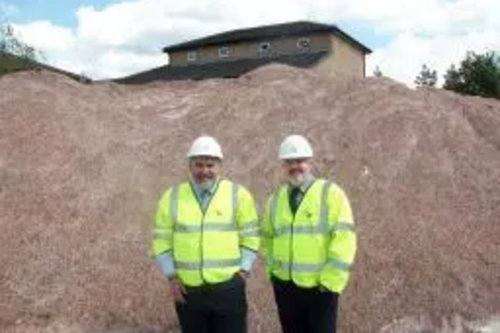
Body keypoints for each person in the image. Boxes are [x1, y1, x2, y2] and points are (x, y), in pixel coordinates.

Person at [151, 135, 260, 333]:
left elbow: (251, 237)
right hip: (188, 291)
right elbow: (162, 241)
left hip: (229, 288)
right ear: (190, 166)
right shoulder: (171, 197)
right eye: (198, 165)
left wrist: (243, 272)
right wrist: (171, 277)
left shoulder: (238, 195)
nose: (204, 171)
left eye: (210, 165)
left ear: (220, 166)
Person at [262, 134, 357, 333]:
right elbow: (267, 239)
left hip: (320, 289)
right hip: (285, 288)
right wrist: (273, 273)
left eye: (300, 161)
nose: (295, 166)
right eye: (289, 162)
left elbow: (345, 240)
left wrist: (330, 283)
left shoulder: (331, 194)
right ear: (283, 165)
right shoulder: (274, 201)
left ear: (310, 162)